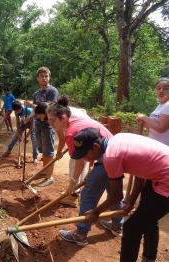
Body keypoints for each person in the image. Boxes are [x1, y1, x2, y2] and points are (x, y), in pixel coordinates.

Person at [73, 129, 169, 262]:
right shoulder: (118, 138)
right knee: (148, 219)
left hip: (165, 179)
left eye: (85, 154)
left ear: (95, 146)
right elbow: (140, 171)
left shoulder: (111, 157)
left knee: (131, 229)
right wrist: (131, 201)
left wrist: (96, 212)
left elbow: (116, 196)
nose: (85, 159)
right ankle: (149, 258)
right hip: (159, 173)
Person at [46, 97, 123, 245]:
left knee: (88, 194)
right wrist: (91, 171)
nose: (50, 123)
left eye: (52, 120)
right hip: (112, 152)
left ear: (62, 117)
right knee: (112, 192)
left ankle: (80, 234)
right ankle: (117, 225)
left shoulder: (71, 133)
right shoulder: (74, 122)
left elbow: (80, 160)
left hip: (107, 158)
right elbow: (92, 147)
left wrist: (73, 183)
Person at [135, 77, 169, 261]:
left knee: (149, 209)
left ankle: (149, 256)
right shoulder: (160, 107)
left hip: (162, 165)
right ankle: (149, 255)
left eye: (165, 88)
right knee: (148, 208)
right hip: (154, 162)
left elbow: (161, 128)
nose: (161, 91)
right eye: (158, 88)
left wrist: (143, 118)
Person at [29, 66, 59, 187]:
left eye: (46, 76)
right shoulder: (36, 93)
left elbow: (51, 108)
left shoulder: (52, 91)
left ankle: (49, 177)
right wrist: (30, 116)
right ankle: (45, 171)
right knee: (42, 149)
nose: (44, 78)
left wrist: (34, 106)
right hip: (38, 124)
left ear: (49, 77)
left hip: (48, 125)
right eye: (42, 76)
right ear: (38, 78)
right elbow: (34, 109)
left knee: (48, 151)